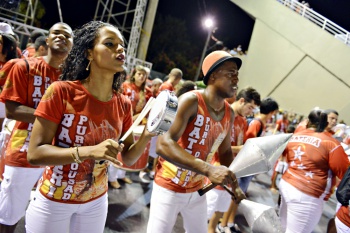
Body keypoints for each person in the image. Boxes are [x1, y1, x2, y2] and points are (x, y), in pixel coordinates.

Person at [25, 20, 154, 233]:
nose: (120, 48)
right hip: (55, 200)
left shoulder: (122, 103)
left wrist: (147, 136)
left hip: (96, 202)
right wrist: (89, 152)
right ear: (90, 53)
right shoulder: (61, 92)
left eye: (122, 45)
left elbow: (128, 158)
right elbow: (35, 153)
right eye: (110, 44)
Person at [147, 50, 245, 233]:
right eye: (231, 73)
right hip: (169, 186)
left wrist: (235, 185)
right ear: (213, 75)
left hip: (198, 190)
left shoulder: (229, 113)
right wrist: (208, 169)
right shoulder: (191, 100)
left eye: (237, 75)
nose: (236, 80)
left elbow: (224, 153)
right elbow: (163, 144)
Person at [0, 22, 73, 233]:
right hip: (23, 149)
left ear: (72, 45)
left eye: (67, 35)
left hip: (57, 155)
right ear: (47, 41)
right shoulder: (25, 66)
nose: (61, 37)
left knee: (45, 216)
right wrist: (53, 117)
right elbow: (13, 110)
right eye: (56, 33)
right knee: (8, 214)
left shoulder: (73, 79)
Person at [279, 109, 349, 233]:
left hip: (287, 183)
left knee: (283, 226)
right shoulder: (330, 143)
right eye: (331, 119)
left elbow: (285, 155)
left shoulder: (296, 135)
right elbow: (346, 173)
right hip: (307, 194)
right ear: (324, 122)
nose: (334, 122)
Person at [211, 87, 261, 233]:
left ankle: (213, 229)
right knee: (205, 211)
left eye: (253, 109)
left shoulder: (243, 121)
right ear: (241, 101)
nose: (251, 112)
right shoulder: (224, 112)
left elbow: (241, 144)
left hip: (231, 171)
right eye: (250, 107)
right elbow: (213, 142)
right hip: (215, 168)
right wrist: (238, 149)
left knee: (220, 208)